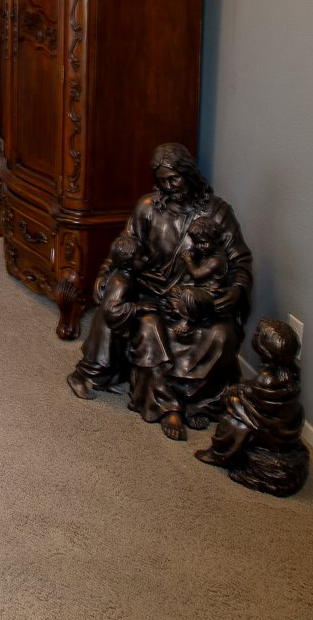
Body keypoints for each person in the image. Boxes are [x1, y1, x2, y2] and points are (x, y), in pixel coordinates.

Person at [66, 143, 253, 441]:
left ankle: (198, 402)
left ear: (188, 174)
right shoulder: (148, 208)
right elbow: (124, 248)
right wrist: (103, 274)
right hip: (151, 292)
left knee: (221, 335)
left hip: (197, 298)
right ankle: (169, 407)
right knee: (149, 326)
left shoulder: (218, 213)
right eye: (162, 180)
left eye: (174, 179)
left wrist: (236, 291)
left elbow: (240, 262)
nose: (168, 186)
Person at [195, 317, 308, 496]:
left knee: (232, 415)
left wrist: (235, 393)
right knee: (235, 400)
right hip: (274, 420)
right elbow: (258, 394)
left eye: (258, 335)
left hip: (266, 424)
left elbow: (254, 398)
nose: (254, 336)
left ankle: (219, 452)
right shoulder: (291, 373)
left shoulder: (267, 378)